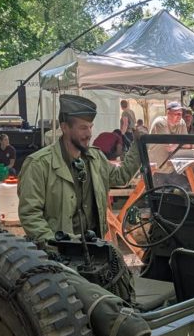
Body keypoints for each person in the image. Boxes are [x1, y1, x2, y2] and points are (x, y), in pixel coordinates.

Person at [18, 94, 141, 246]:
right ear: (64, 127)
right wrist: (57, 246)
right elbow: (30, 214)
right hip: (58, 253)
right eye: (83, 128)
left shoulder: (95, 158)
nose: (89, 134)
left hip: (95, 248)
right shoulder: (38, 165)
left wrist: (138, 146)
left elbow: (121, 177)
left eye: (90, 127)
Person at [148, 115, 194, 189]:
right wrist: (182, 144)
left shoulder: (182, 123)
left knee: (187, 188)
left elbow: (187, 143)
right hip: (158, 170)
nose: (187, 119)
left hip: (173, 169)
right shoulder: (160, 123)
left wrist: (183, 144)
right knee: (156, 192)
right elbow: (170, 147)